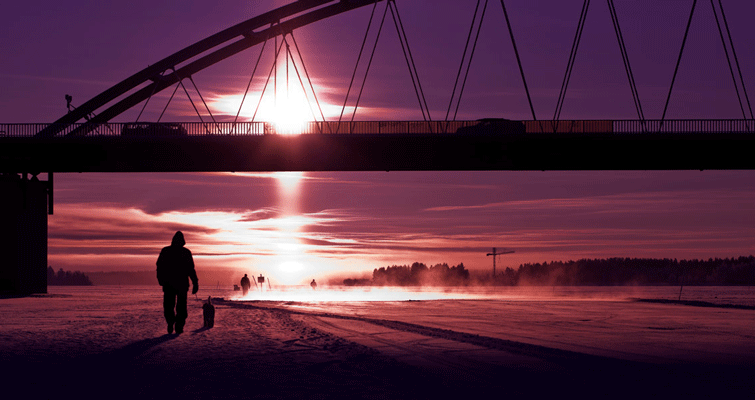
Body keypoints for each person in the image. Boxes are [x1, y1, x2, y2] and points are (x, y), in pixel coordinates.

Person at [156, 231, 198, 334]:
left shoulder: (166, 251)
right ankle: (177, 325)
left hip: (172, 284)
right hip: (178, 284)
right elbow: (191, 269)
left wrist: (161, 279)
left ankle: (173, 323)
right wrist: (195, 282)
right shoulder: (185, 252)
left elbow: (159, 267)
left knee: (170, 306)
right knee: (179, 306)